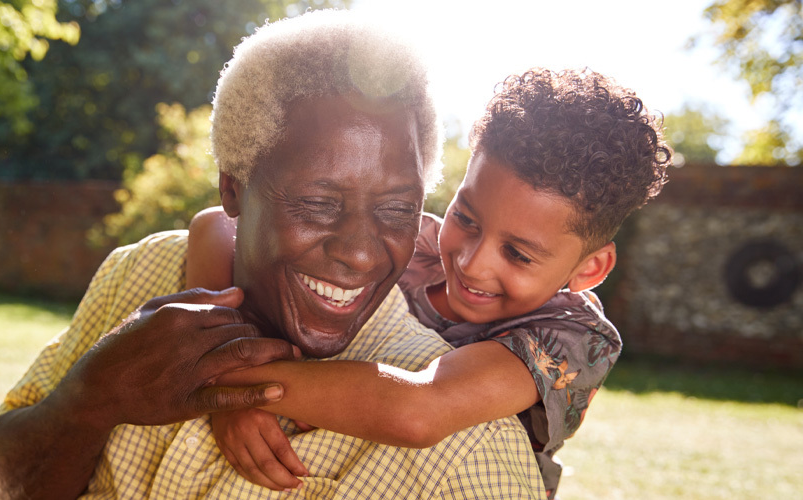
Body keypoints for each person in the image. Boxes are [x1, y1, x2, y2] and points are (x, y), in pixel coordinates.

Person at [0, 10, 545, 500]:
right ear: (233, 190)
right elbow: (6, 486)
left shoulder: (464, 455)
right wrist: (91, 396)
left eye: (397, 211)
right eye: (319, 203)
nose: (359, 252)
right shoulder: (140, 274)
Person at [186, 68, 672, 498]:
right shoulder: (411, 241)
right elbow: (215, 225)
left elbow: (418, 410)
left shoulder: (573, 338)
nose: (472, 262)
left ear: (589, 269)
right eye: (466, 217)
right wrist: (228, 378)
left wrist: (230, 382)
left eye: (518, 254)